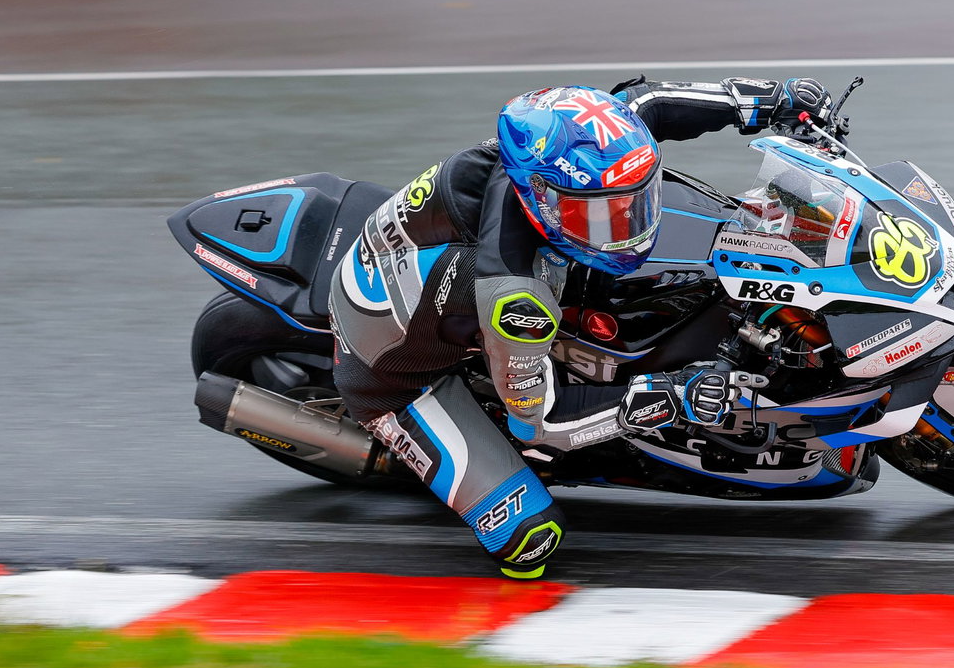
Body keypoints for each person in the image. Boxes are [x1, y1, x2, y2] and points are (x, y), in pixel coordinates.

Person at [328, 76, 835, 578]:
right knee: (528, 542)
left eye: (632, 204)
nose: (627, 225)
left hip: (437, 273)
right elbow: (539, 422)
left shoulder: (569, 155)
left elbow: (646, 104)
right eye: (600, 217)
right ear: (542, 199)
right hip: (398, 376)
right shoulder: (514, 297)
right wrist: (674, 396)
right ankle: (415, 441)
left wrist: (773, 99)